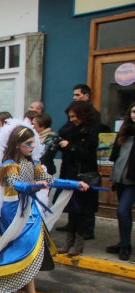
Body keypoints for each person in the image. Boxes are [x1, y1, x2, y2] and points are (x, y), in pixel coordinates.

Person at [0, 126, 87, 293]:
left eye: (33, 143)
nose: (32, 147)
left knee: (30, 245)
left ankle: (20, 288)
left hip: (30, 208)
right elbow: (16, 184)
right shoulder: (8, 164)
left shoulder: (33, 163)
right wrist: (33, 186)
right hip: (13, 210)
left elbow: (50, 180)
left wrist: (75, 184)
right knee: (23, 246)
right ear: (17, 145)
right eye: (28, 143)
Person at [57, 101, 100, 256]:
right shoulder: (71, 130)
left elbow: (87, 154)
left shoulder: (91, 131)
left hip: (85, 176)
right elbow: (62, 134)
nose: (72, 119)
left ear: (83, 115)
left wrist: (69, 146)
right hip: (70, 174)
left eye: (74, 116)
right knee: (72, 211)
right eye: (70, 117)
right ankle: (69, 241)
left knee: (81, 211)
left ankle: (78, 244)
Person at [106, 102, 135, 261]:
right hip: (120, 178)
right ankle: (124, 242)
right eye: (133, 112)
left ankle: (125, 246)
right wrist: (113, 177)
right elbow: (116, 157)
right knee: (124, 213)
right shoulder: (124, 131)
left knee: (122, 211)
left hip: (133, 181)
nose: (134, 115)